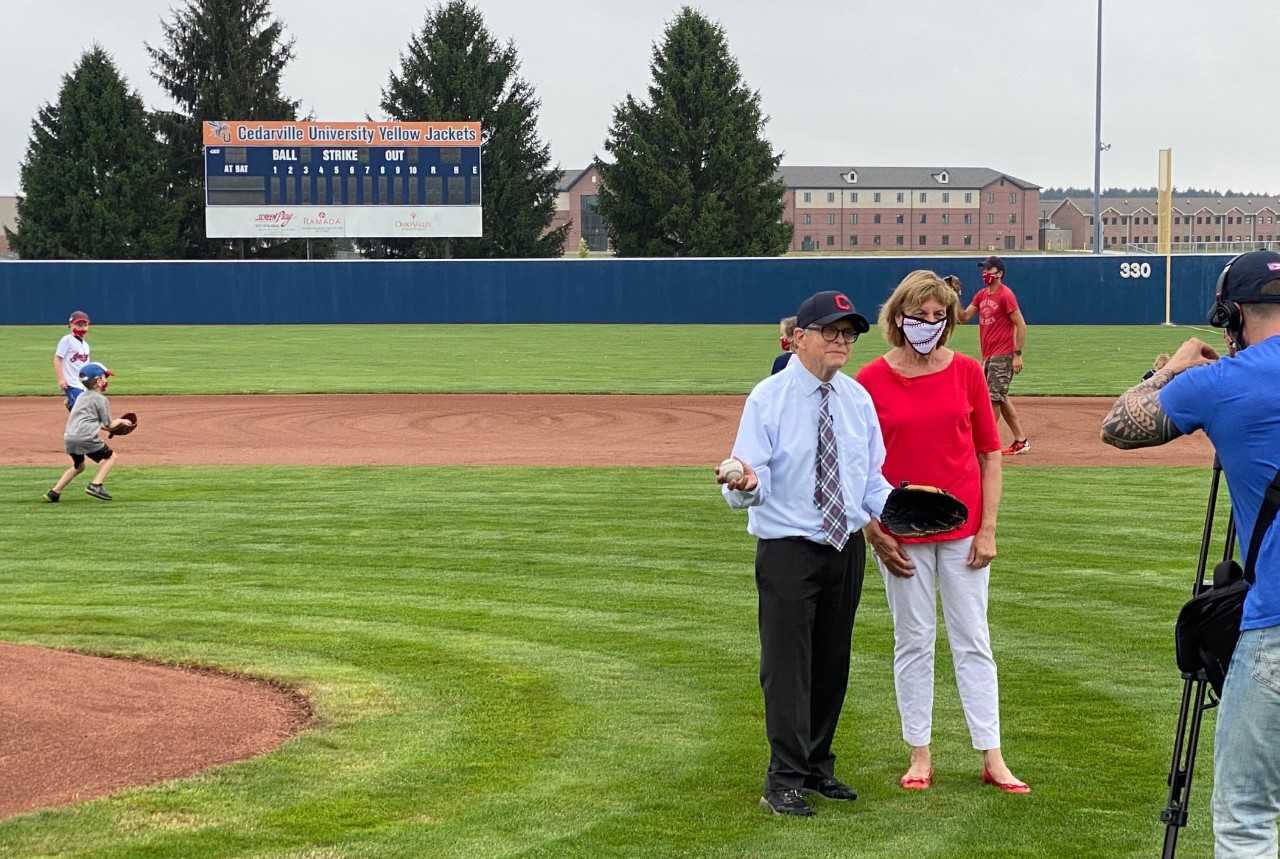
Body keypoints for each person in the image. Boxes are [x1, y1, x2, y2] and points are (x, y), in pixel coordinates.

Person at [1102, 250, 1280, 856]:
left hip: (1274, 625)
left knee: (1247, 818)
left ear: (1232, 316)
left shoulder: (1219, 383)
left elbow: (1119, 426)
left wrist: (1171, 371)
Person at [716, 290, 892, 817]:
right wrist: (746, 482)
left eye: (849, 333)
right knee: (787, 667)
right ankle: (784, 779)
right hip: (789, 549)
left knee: (832, 662)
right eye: (831, 331)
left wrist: (903, 505)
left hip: (843, 547)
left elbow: (870, 480)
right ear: (799, 339)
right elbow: (750, 475)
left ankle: (817, 765)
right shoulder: (768, 398)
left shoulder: (856, 399)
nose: (842, 341)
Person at [856, 270, 1028, 795]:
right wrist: (872, 531)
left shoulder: (968, 372)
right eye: (918, 315)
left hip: (963, 529)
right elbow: (856, 466)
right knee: (913, 639)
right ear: (898, 317)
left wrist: (988, 529)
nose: (928, 323)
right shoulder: (870, 380)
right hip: (899, 531)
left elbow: (990, 454)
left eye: (938, 315)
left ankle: (992, 755)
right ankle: (920, 754)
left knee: (972, 638)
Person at [960, 256, 1030, 455]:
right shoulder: (981, 295)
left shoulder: (1005, 295)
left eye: (988, 270)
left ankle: (986, 444)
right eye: (983, 270)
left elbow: (1021, 324)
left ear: (999, 273)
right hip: (988, 356)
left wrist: (1017, 354)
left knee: (993, 400)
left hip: (1003, 355)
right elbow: (963, 318)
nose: (984, 273)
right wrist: (953, 295)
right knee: (1000, 397)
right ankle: (1021, 441)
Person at [44, 363, 132, 503]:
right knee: (111, 457)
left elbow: (93, 422)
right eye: (104, 377)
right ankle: (96, 485)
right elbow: (108, 424)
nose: (106, 380)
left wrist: (110, 427)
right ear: (98, 381)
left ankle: (54, 492)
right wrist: (121, 421)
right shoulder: (101, 400)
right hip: (85, 437)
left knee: (79, 466)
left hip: (70, 437)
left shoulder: (81, 397)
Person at [54, 310, 104, 411]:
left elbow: (86, 366)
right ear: (71, 325)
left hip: (83, 383)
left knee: (84, 409)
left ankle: (70, 403)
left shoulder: (85, 345)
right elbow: (57, 359)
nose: (82, 328)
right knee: (83, 410)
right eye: (79, 325)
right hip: (71, 383)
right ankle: (71, 403)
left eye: (85, 325)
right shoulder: (67, 340)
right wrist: (61, 379)